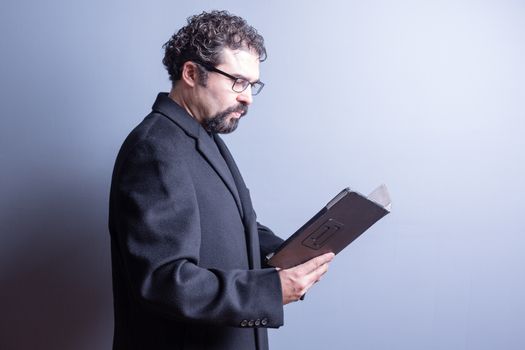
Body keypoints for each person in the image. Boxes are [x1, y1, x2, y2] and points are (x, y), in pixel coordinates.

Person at [108, 10, 334, 350]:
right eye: (238, 81)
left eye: (252, 84)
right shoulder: (155, 149)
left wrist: (290, 252)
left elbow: (234, 226)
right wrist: (271, 291)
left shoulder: (202, 137)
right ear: (191, 73)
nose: (248, 97)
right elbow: (163, 282)